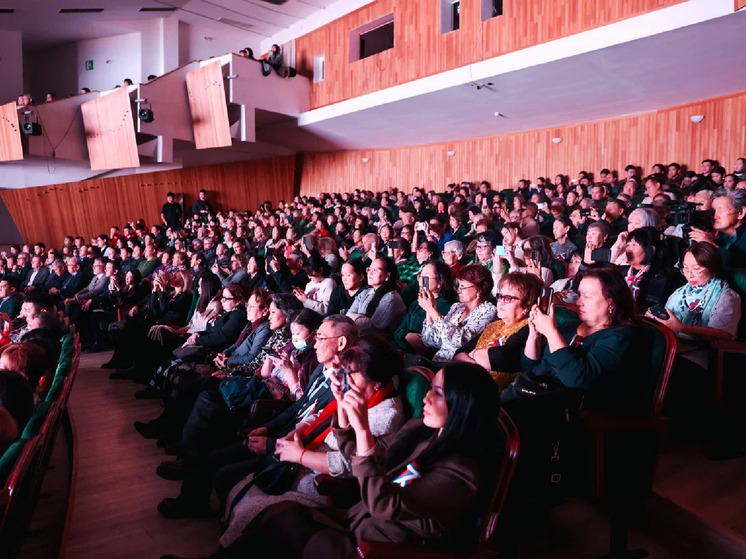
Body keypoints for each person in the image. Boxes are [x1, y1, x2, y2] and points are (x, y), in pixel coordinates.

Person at [228, 362, 503, 559]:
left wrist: (362, 431)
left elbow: (385, 502)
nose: (427, 398)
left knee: (284, 524)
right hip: (357, 522)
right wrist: (345, 415)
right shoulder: (422, 434)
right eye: (431, 388)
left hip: (382, 548)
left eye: (439, 393)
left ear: (463, 405)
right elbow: (368, 465)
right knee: (281, 512)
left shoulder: (460, 470)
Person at [218, 335, 406, 548]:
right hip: (304, 456)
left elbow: (349, 463)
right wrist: (298, 432)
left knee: (254, 509)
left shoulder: (384, 415)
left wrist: (300, 455)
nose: (345, 377)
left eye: (352, 373)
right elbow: (320, 416)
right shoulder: (355, 390)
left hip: (323, 480)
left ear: (377, 381)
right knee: (239, 486)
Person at [646, 242, 740, 370]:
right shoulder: (679, 293)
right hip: (672, 346)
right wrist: (655, 320)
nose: (690, 275)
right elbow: (668, 320)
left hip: (698, 354)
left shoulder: (726, 296)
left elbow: (723, 334)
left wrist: (681, 327)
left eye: (697, 270)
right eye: (685, 268)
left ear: (712, 268)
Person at [455, 272, 543, 391]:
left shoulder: (529, 327)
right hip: (472, 384)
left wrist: (473, 354)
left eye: (508, 298)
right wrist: (476, 363)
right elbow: (459, 353)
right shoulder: (494, 325)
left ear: (527, 305)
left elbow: (501, 357)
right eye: (500, 296)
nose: (501, 302)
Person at [419, 264, 496, 362]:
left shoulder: (488, 311)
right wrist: (429, 309)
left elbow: (458, 342)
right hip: (438, 361)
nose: (458, 290)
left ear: (479, 290)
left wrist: (432, 310)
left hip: (459, 367)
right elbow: (430, 341)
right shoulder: (457, 307)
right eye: (458, 286)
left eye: (463, 287)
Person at [394, 261, 454, 353]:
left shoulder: (445, 307)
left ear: (440, 283)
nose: (422, 280)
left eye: (426, 277)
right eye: (421, 276)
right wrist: (405, 335)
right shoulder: (416, 303)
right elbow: (399, 330)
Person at [621, 226, 681, 314]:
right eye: (628, 245)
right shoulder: (621, 272)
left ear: (651, 250)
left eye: (634, 245)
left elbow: (649, 309)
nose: (629, 249)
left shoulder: (661, 278)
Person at [346, 257, 406, 335]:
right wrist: (363, 319)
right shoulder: (365, 293)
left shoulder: (391, 298)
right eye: (369, 269)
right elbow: (348, 317)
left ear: (387, 275)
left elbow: (373, 329)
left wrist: (357, 318)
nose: (370, 273)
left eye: (375, 270)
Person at [689, 189, 746, 270]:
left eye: (721, 209)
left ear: (741, 212)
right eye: (714, 211)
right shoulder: (719, 237)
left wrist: (711, 246)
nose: (715, 216)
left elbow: (741, 264)